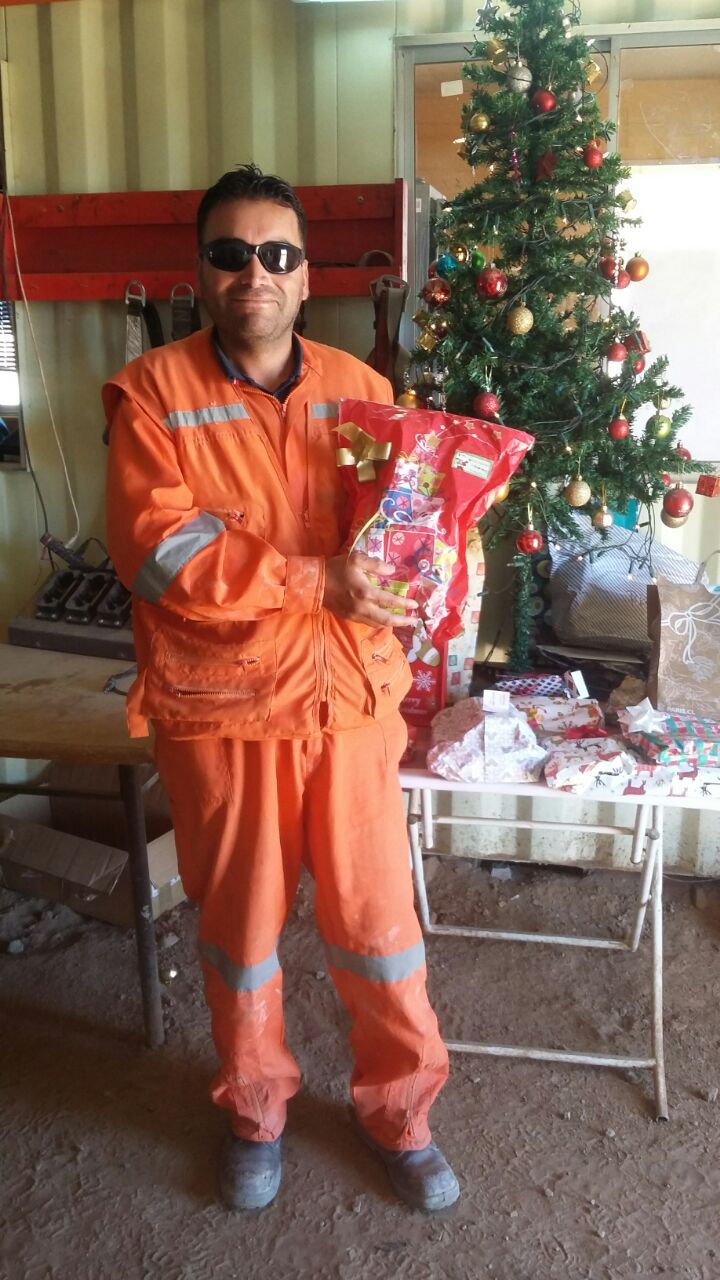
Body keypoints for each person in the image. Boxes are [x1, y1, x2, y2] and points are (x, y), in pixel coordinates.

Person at [103, 164, 458, 1214]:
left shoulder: (365, 389)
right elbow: (156, 551)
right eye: (230, 253)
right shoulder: (152, 396)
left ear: (305, 277)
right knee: (243, 938)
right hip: (226, 718)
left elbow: (412, 524)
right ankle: (256, 1110)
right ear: (201, 273)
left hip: (349, 708)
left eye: (276, 253)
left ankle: (401, 1115)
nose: (253, 271)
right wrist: (316, 582)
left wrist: (442, 561)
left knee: (380, 932)